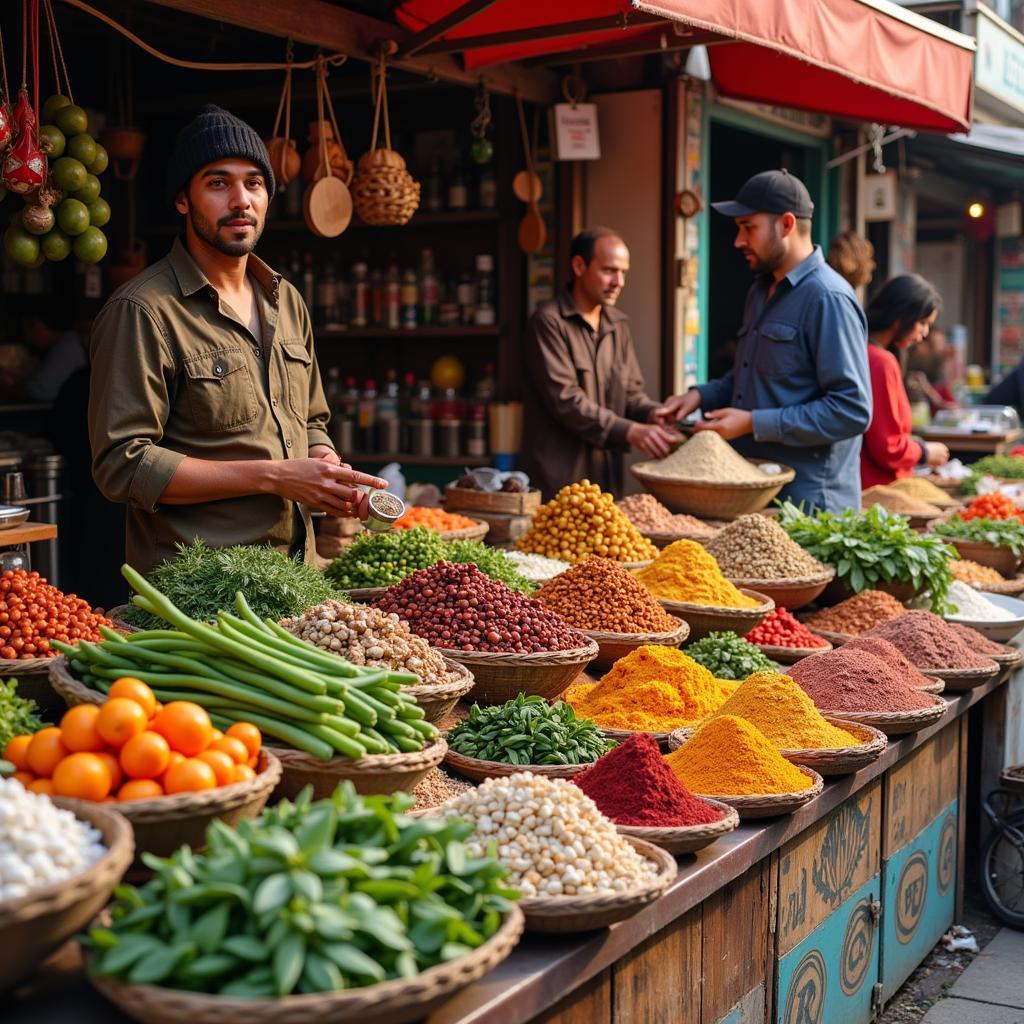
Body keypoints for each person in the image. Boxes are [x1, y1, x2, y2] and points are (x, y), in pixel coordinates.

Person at [89, 105, 387, 576]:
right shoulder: (143, 311)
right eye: (217, 183)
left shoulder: (285, 299)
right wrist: (274, 477)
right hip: (198, 596)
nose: (241, 200)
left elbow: (310, 421)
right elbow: (123, 466)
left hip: (297, 581)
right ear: (183, 200)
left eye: (254, 183)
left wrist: (328, 470)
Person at [658, 169, 872, 512]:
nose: (738, 241)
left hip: (811, 507)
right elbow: (751, 377)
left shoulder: (828, 298)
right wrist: (699, 395)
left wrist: (753, 422)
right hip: (754, 497)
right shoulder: (760, 291)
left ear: (786, 225)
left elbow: (852, 410)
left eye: (748, 228)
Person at [520, 228, 680, 497]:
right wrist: (631, 431)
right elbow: (566, 400)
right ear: (579, 266)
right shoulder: (548, 322)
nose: (619, 281)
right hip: (558, 481)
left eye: (623, 272)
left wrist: (654, 414)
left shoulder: (617, 325)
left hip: (606, 480)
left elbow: (631, 394)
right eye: (609, 270)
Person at [861, 274, 949, 488]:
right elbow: (888, 448)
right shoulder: (880, 361)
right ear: (901, 317)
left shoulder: (863, 351)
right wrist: (925, 452)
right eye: (922, 323)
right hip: (878, 492)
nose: (923, 334)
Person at [18, 300, 87, 403]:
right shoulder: (63, 345)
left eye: (29, 329)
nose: (27, 337)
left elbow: (39, 390)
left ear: (39, 325)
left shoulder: (67, 347)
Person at [905, 326, 957, 413]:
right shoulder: (908, 366)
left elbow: (950, 404)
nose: (942, 350)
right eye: (935, 346)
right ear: (921, 345)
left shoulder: (936, 367)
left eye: (942, 344)